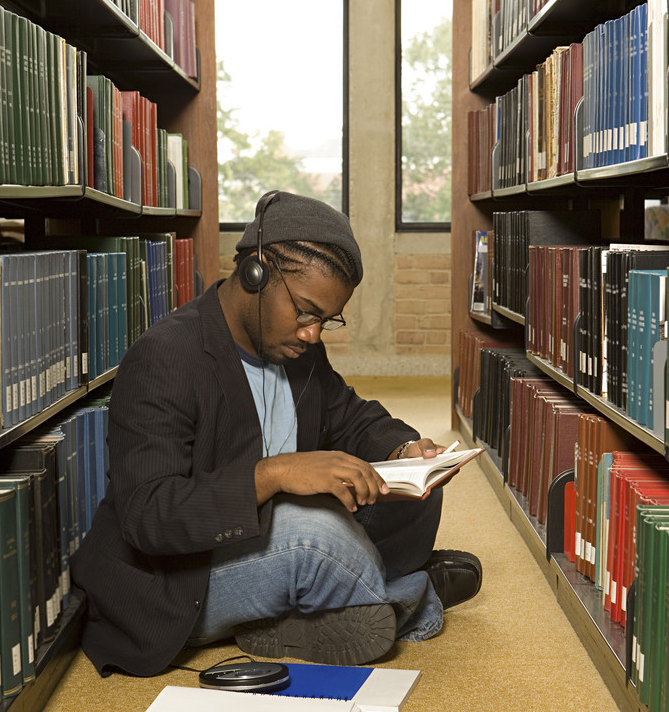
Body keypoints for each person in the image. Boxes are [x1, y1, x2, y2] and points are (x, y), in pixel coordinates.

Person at [71, 191, 482, 676]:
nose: (313, 334)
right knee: (315, 536)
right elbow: (148, 515)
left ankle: (323, 605)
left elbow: (348, 414)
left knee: (414, 494)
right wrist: (275, 473)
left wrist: (406, 450)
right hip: (184, 574)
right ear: (256, 272)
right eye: (306, 312)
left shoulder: (297, 350)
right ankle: (412, 596)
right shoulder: (165, 358)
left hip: (265, 531)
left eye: (326, 321)